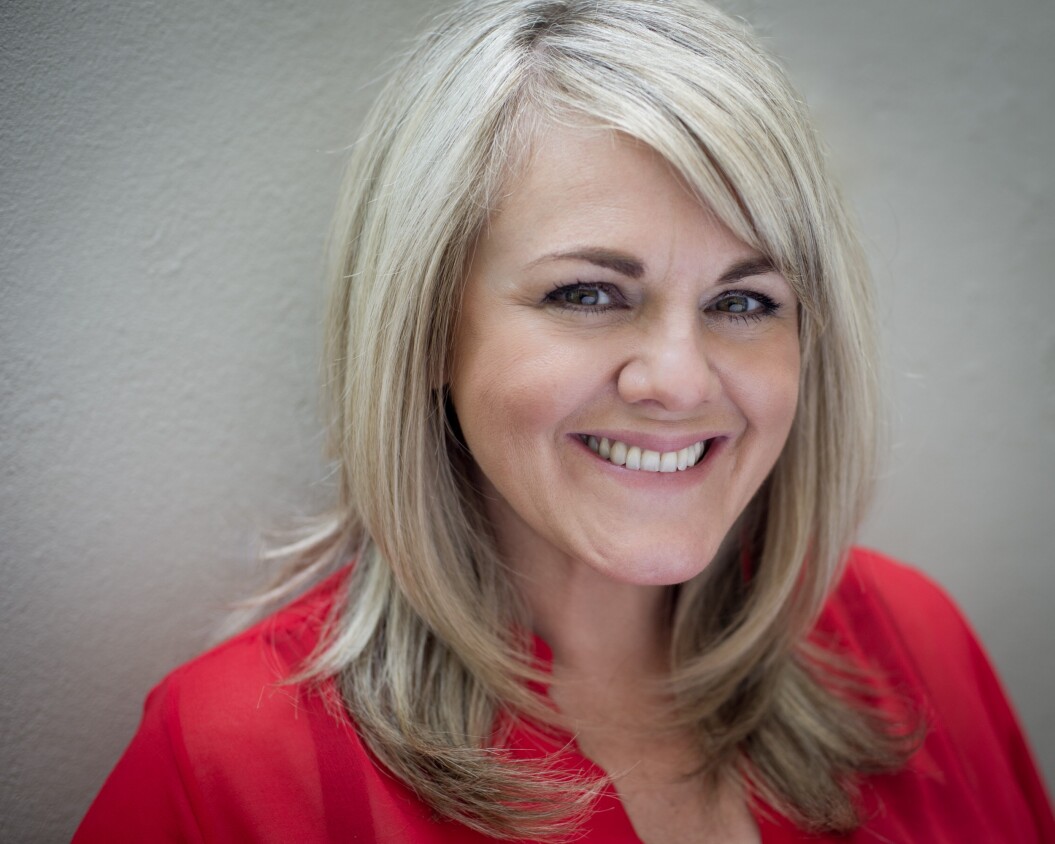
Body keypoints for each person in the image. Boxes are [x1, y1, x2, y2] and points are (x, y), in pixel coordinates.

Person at [74, 1, 1054, 841]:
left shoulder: (913, 648)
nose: (677, 379)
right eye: (587, 293)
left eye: (745, 301)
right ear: (422, 329)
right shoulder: (232, 759)